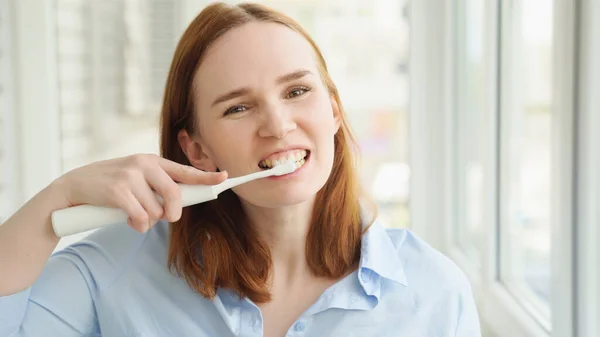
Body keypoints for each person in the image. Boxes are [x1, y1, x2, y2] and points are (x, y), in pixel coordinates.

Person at [0, 2, 481, 336]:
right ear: (197, 149)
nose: (277, 125)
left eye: (297, 92)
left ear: (333, 111)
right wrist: (58, 198)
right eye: (237, 108)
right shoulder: (116, 269)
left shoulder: (433, 292)